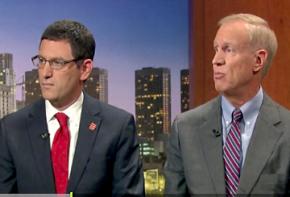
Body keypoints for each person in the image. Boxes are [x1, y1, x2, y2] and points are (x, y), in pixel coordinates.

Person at [0, 20, 144, 196]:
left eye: (57, 63)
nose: (45, 73)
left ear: (84, 69)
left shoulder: (117, 127)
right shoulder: (11, 129)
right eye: (42, 60)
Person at [164, 13, 290, 195]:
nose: (216, 60)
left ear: (258, 60)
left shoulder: (287, 130)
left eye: (228, 49)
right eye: (216, 49)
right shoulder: (185, 128)